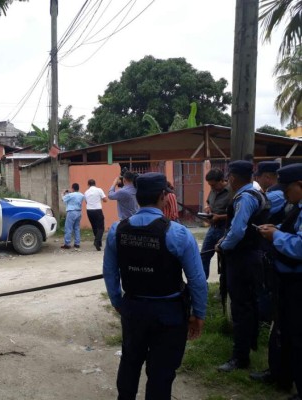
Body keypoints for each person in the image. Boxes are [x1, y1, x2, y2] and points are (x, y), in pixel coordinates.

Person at [103, 172, 207, 400]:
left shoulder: (116, 231)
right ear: (163, 196)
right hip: (169, 313)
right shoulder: (178, 233)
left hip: (134, 308)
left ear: (138, 196)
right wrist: (198, 313)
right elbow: (197, 279)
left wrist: (118, 302)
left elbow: (110, 273)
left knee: (130, 360)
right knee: (162, 371)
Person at [216, 160, 270, 372]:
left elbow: (237, 231)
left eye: (229, 176)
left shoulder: (245, 198)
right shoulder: (257, 194)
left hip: (242, 258)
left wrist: (224, 246)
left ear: (234, 177)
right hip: (252, 255)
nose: (228, 180)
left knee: (240, 307)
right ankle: (249, 345)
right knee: (249, 304)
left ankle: (240, 357)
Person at [257, 163, 302, 400]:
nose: (284, 195)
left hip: (297, 283)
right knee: (282, 330)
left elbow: (299, 247)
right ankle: (281, 375)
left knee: (296, 334)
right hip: (286, 279)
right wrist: (277, 229)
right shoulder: (296, 207)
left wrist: (276, 235)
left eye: (287, 190)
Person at [200, 168, 230, 279]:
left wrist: (219, 217)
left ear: (222, 181)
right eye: (210, 186)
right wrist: (208, 209)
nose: (212, 188)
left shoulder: (231, 192)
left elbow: (236, 214)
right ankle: (202, 284)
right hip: (213, 228)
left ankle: (224, 288)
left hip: (225, 229)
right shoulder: (213, 191)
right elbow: (209, 202)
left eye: (213, 185)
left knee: (224, 259)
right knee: (204, 255)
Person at [84, 179, 107, 251]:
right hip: (97, 210)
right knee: (101, 227)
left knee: (94, 227)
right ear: (95, 184)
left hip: (89, 211)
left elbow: (86, 202)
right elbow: (105, 199)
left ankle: (99, 242)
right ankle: (97, 241)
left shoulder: (86, 192)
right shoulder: (99, 190)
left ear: (88, 185)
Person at [61, 183, 84, 249]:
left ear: (73, 188)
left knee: (68, 228)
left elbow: (63, 199)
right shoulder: (81, 195)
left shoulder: (70, 195)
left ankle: (67, 244)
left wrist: (63, 193)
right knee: (76, 228)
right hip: (79, 212)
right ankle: (77, 243)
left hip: (71, 212)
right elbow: (75, 196)